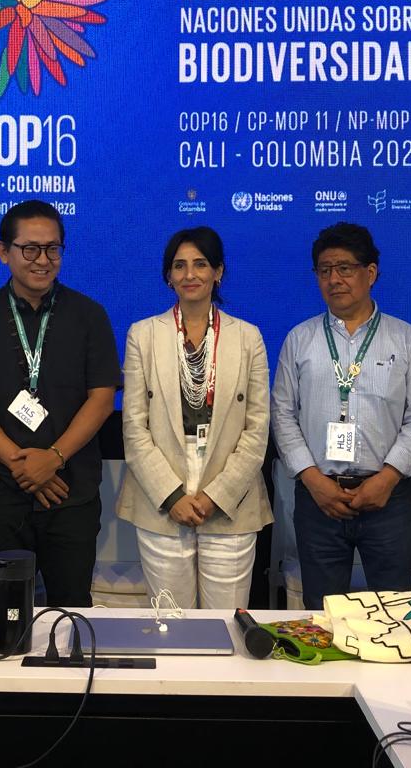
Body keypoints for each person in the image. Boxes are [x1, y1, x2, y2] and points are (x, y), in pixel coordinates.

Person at [0, 200, 119, 608]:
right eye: (30, 249)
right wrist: (21, 463)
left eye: (53, 249)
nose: (42, 260)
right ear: (3, 251)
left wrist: (55, 457)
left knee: (72, 608)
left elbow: (101, 398)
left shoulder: (89, 316)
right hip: (4, 494)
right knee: (8, 613)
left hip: (71, 492)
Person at [271, 222, 411, 609]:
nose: (334, 279)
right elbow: (282, 415)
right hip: (318, 497)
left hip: (387, 498)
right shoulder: (300, 339)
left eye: (345, 268)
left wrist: (388, 478)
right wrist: (312, 480)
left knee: (395, 612)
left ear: (370, 273)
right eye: (324, 270)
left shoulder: (406, 338)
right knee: (323, 614)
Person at [116, 227, 272, 608]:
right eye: (179, 266)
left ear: (218, 272)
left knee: (227, 623)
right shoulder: (144, 335)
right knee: (172, 622)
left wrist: (215, 496)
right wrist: (172, 496)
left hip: (229, 503)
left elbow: (257, 429)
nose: (190, 274)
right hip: (162, 501)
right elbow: (135, 427)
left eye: (200, 264)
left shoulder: (248, 337)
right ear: (168, 275)